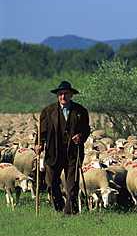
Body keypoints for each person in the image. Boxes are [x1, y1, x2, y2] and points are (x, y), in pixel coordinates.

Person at [34, 81, 90, 215]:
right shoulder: (47, 111)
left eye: (65, 94)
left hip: (73, 152)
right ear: (57, 95)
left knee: (71, 185)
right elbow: (42, 131)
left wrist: (80, 136)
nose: (63, 96)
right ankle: (58, 207)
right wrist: (38, 144)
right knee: (51, 183)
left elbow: (86, 129)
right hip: (54, 152)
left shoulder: (80, 111)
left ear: (71, 94)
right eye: (60, 94)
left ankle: (70, 212)